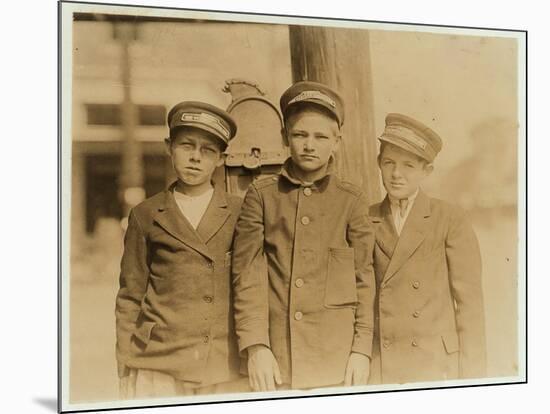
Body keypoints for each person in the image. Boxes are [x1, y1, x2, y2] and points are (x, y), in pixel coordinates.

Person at [231, 81, 376, 391]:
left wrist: (361, 350)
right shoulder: (261, 195)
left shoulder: (351, 200)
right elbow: (247, 276)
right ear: (285, 137)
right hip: (276, 360)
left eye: (321, 137)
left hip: (335, 360)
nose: (310, 145)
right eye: (300, 135)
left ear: (337, 141)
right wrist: (256, 347)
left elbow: (364, 279)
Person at [115, 101, 247, 398]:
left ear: (221, 159)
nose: (195, 158)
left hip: (220, 361)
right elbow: (130, 296)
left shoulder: (240, 211)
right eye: (187, 146)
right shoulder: (145, 214)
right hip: (159, 360)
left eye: (208, 150)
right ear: (169, 147)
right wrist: (125, 361)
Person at [368, 113, 487, 384]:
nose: (397, 174)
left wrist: (474, 377)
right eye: (389, 163)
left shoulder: (449, 218)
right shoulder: (366, 219)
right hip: (382, 365)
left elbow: (469, 306)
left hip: (435, 364)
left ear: (427, 171)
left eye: (408, 165)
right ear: (378, 163)